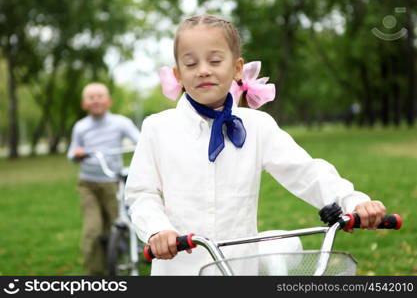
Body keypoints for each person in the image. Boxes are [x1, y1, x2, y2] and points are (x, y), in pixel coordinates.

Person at [124, 15, 386, 275]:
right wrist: (158, 229)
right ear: (178, 74)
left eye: (215, 60)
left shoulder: (258, 126)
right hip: (180, 268)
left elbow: (305, 171)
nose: (203, 69)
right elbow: (141, 194)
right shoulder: (157, 128)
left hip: (239, 268)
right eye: (191, 63)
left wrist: (353, 201)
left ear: (237, 68)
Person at [67, 82, 140, 275]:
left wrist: (141, 147)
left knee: (115, 226)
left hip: (112, 184)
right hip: (88, 184)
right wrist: (78, 153)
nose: (96, 100)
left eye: (100, 96)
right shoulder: (81, 127)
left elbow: (140, 140)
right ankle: (96, 274)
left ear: (108, 101)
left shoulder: (120, 122)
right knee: (93, 230)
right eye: (91, 97)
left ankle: (117, 262)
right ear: (84, 104)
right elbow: (71, 153)